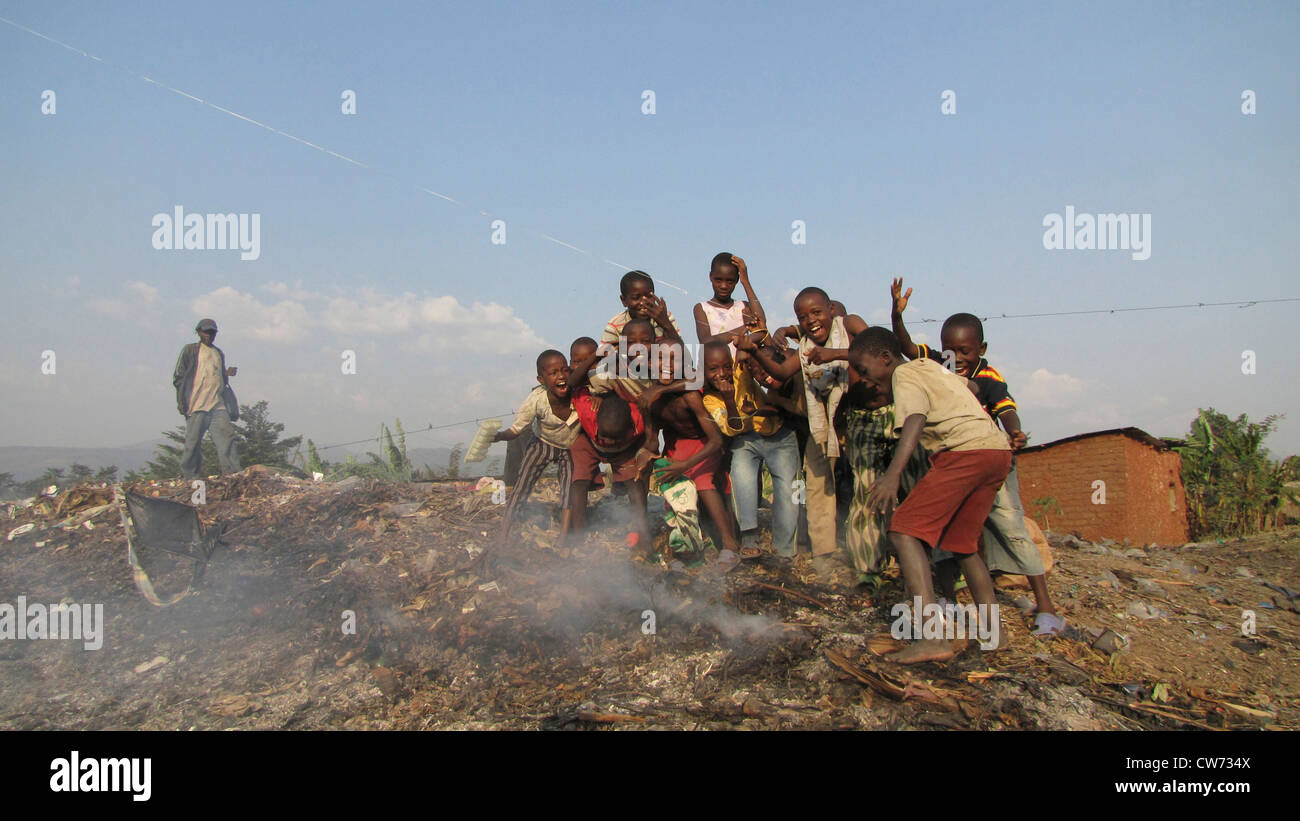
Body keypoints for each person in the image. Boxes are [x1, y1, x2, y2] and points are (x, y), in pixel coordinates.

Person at [890, 280, 1063, 636]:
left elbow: (1006, 407)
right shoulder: (940, 366)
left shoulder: (987, 375)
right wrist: (897, 314)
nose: (958, 358)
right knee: (950, 533)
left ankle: (1045, 605)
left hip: (985, 457)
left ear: (981, 348)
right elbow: (906, 347)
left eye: (965, 351)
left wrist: (1015, 431)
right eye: (949, 350)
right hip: (953, 459)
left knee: (1010, 526)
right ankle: (954, 600)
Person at [853, 327, 1012, 664]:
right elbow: (973, 387)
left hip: (965, 452)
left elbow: (914, 418)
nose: (868, 381)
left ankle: (931, 638)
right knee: (962, 544)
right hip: (996, 450)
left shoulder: (904, 373)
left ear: (885, 358)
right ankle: (995, 633)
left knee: (903, 530)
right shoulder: (931, 366)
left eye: (865, 371)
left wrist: (893, 475)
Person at [740, 287, 868, 581]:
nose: (811, 320)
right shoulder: (807, 349)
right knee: (817, 486)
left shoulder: (850, 325)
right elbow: (784, 372)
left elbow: (873, 351)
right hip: (827, 424)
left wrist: (832, 354)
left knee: (866, 486)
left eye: (816, 312)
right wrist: (753, 349)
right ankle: (824, 553)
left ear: (833, 310)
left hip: (861, 418)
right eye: (802, 316)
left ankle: (868, 554)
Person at [642, 340, 741, 567]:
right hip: (677, 446)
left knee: (701, 480)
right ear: (649, 362)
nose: (665, 365)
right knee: (673, 486)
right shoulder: (648, 399)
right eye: (659, 358)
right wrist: (645, 456)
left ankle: (729, 544)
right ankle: (684, 548)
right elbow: (650, 439)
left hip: (705, 444)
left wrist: (683, 465)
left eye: (673, 359)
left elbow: (716, 440)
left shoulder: (690, 395)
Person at [700, 341, 800, 559]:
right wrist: (729, 400)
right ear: (703, 372)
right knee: (741, 478)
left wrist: (743, 343)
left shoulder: (740, 373)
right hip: (746, 439)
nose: (722, 374)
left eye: (727, 366)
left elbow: (748, 341)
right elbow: (730, 429)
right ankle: (749, 536)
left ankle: (785, 548)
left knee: (788, 489)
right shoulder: (710, 399)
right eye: (713, 369)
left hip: (780, 435)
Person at [492, 349, 581, 547]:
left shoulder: (579, 393)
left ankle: (563, 539)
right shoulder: (536, 399)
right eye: (553, 373)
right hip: (543, 443)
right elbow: (517, 429)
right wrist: (498, 436)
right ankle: (503, 537)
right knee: (522, 486)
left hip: (568, 448)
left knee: (569, 490)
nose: (561, 376)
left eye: (565, 370)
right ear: (541, 379)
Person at [172, 318, 241, 479]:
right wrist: (182, 401)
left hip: (217, 405)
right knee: (192, 444)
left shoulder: (218, 353)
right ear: (198, 332)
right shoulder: (190, 350)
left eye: (212, 332)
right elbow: (179, 377)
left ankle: (233, 476)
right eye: (206, 332)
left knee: (227, 440)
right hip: (196, 404)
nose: (209, 335)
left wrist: (226, 374)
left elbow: (217, 377)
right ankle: (190, 477)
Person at [693, 253, 767, 355]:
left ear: (737, 280)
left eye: (730, 281)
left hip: (743, 369)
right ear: (710, 277)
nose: (724, 286)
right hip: (717, 369)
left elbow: (762, 325)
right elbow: (706, 342)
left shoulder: (743, 306)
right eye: (718, 280)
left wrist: (745, 282)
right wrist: (744, 328)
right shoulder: (702, 308)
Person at [601, 270, 681, 344]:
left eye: (649, 296)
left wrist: (666, 324)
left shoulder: (664, 316)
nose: (643, 302)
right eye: (636, 297)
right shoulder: (615, 325)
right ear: (624, 300)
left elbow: (684, 355)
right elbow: (604, 357)